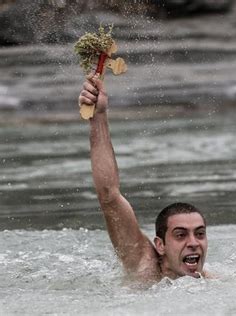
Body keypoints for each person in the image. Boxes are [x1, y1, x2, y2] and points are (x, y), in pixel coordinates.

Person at [78, 73, 208, 283]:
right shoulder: (144, 264)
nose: (193, 242)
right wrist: (98, 117)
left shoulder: (212, 281)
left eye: (200, 234)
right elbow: (109, 196)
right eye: (181, 235)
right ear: (160, 245)